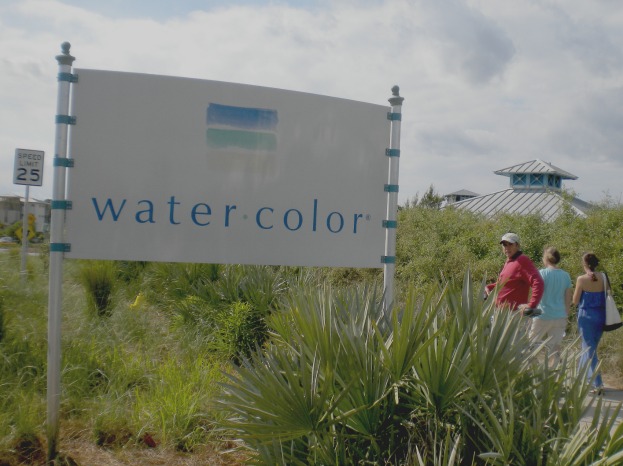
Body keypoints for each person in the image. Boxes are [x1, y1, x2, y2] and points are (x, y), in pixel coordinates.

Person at [530, 247, 572, 366]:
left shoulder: (541, 273)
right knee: (555, 347)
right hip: (560, 315)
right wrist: (566, 314)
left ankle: (533, 369)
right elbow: (567, 297)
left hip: (542, 314)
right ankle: (555, 374)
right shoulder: (566, 275)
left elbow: (535, 295)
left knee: (531, 344)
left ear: (546, 258)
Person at [572, 252, 607, 394]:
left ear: (584, 264)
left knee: (589, 349)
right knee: (588, 347)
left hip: (586, 317)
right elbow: (608, 295)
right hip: (601, 316)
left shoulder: (581, 279)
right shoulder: (604, 277)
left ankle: (597, 383)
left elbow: (575, 301)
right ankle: (582, 379)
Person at [485, 233, 544, 313]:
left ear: (517, 245)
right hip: (500, 313)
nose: (507, 248)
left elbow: (538, 282)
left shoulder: (522, 261)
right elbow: (505, 283)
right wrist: (489, 287)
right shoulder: (510, 260)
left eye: (510, 244)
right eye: (504, 245)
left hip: (513, 316)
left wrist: (531, 305)